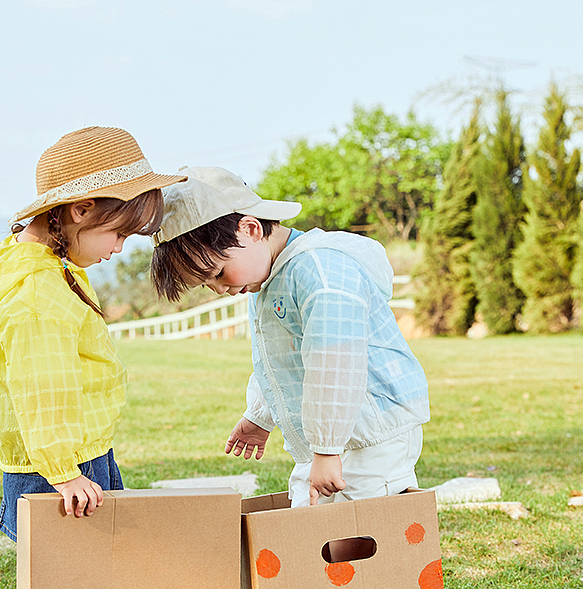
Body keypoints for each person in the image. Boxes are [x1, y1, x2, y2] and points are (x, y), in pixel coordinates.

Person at [149, 166, 430, 515]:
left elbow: (335, 365)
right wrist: (259, 416)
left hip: (370, 434)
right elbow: (280, 358)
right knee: (308, 520)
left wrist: (328, 451)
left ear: (250, 229)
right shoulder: (267, 279)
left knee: (354, 526)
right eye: (207, 284)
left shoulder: (322, 273)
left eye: (218, 273)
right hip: (330, 439)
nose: (221, 289)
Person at [0, 127, 185, 541]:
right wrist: (63, 473)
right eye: (119, 232)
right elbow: (42, 388)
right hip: (60, 467)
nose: (118, 248)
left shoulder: (48, 266)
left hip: (76, 452)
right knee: (71, 576)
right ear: (81, 210)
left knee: (85, 573)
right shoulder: (38, 295)